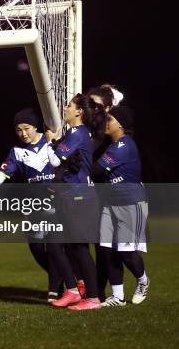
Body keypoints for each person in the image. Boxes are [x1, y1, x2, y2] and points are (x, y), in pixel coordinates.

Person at [0, 108, 62, 302]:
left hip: (56, 202)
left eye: (27, 128)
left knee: (53, 246)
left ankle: (54, 287)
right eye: (19, 130)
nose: (23, 134)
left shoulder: (52, 141)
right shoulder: (17, 151)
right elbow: (3, 173)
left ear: (35, 126)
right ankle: (63, 276)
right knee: (35, 246)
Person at [45, 94, 106, 310]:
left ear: (79, 112)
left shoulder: (78, 133)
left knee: (79, 248)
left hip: (80, 197)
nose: (65, 107)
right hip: (71, 195)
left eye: (69, 105)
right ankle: (72, 290)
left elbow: (54, 160)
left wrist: (50, 141)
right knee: (57, 243)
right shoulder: (74, 134)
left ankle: (93, 298)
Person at [94, 106, 150, 307]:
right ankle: (118, 297)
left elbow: (97, 170)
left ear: (121, 124)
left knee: (126, 253)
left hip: (130, 202)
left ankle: (143, 281)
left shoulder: (124, 145)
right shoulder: (113, 145)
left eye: (109, 119)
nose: (105, 122)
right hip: (111, 203)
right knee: (107, 249)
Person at [87, 84, 124, 301]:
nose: (91, 108)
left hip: (108, 193)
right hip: (92, 192)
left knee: (106, 246)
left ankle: (103, 292)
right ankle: (94, 290)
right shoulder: (91, 126)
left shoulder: (106, 131)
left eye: (97, 105)